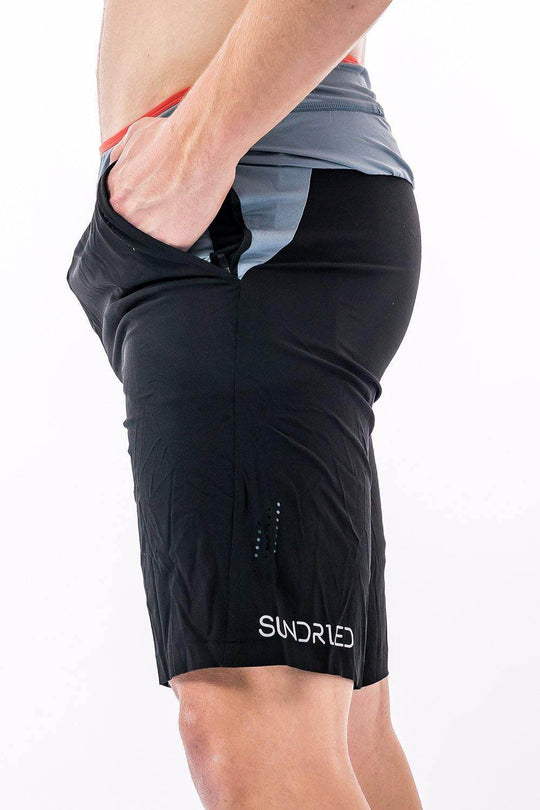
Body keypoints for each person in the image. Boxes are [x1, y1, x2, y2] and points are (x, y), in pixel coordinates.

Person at [67, 0, 423, 806]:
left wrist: (199, 147)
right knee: (337, 729)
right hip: (234, 216)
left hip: (251, 215)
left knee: (251, 716)